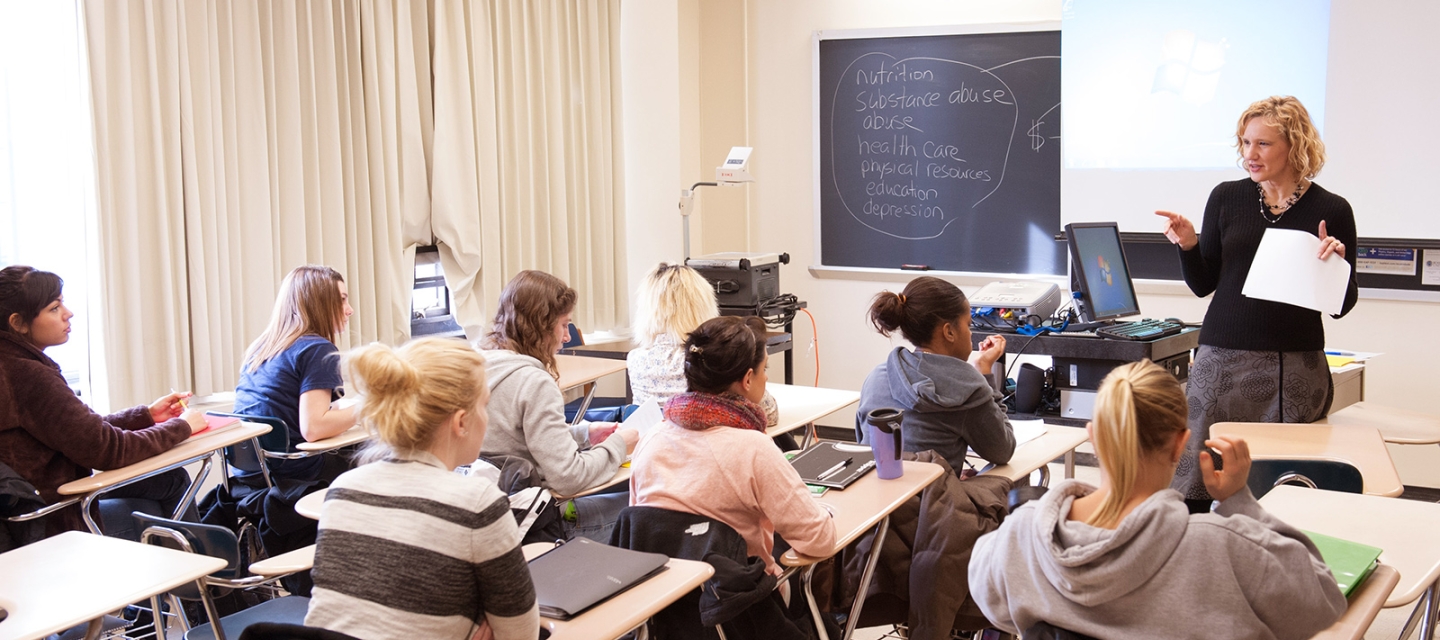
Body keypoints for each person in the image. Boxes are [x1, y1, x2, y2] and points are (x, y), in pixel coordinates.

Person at [967, 360, 1346, 639]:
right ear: (1182, 443)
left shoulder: (1021, 535)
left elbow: (991, 603)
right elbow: (1322, 603)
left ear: (1093, 437)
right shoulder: (1224, 547)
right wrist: (1239, 502)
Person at [1156, 96, 1358, 511]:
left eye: (1263, 144)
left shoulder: (1332, 209)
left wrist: (1336, 266)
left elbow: (1342, 305)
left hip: (1293, 367)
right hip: (1219, 364)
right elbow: (1202, 284)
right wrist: (1189, 245)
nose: (1250, 154)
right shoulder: (1227, 198)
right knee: (1198, 478)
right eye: (1245, 143)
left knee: (1286, 488)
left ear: (1295, 145)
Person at [306, 338, 538, 640]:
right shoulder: (476, 503)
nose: (488, 417)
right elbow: (521, 634)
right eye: (485, 405)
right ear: (462, 422)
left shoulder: (342, 490)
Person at [0, 265, 205, 537]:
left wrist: (146, 416)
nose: (68, 313)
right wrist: (183, 427)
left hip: (34, 510)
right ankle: (206, 574)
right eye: (54, 308)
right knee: (160, 502)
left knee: (168, 480)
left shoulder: (12, 364)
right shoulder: (29, 375)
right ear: (18, 323)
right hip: (54, 522)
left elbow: (78, 431)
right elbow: (107, 450)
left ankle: (199, 570)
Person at [630, 315, 836, 577]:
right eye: (766, 369)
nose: (766, 378)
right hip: (742, 603)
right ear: (748, 379)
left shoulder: (651, 439)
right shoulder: (754, 449)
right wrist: (824, 512)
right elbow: (819, 540)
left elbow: (639, 529)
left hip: (665, 603)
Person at [477, 270, 638, 541]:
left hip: (496, 513)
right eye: (564, 325)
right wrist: (619, 444)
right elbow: (569, 478)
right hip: (538, 523)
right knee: (647, 503)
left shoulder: (479, 366)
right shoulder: (534, 383)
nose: (567, 336)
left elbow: (518, 438)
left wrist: (584, 434)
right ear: (540, 326)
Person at [856, 276, 1015, 472]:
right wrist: (983, 371)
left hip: (879, 494)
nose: (971, 333)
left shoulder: (877, 376)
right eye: (968, 324)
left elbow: (864, 444)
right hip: (934, 499)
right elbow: (1003, 450)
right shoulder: (967, 386)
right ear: (949, 332)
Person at [233, 265, 358, 483]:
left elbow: (284, 408)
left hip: (251, 473)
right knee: (384, 454)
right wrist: (371, 407)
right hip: (296, 473)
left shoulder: (262, 348)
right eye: (342, 299)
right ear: (319, 303)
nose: (350, 309)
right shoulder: (317, 349)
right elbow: (314, 428)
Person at [628, 262, 777, 426]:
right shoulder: (705, 359)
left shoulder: (635, 360)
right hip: (712, 445)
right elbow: (768, 413)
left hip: (656, 445)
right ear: (702, 305)